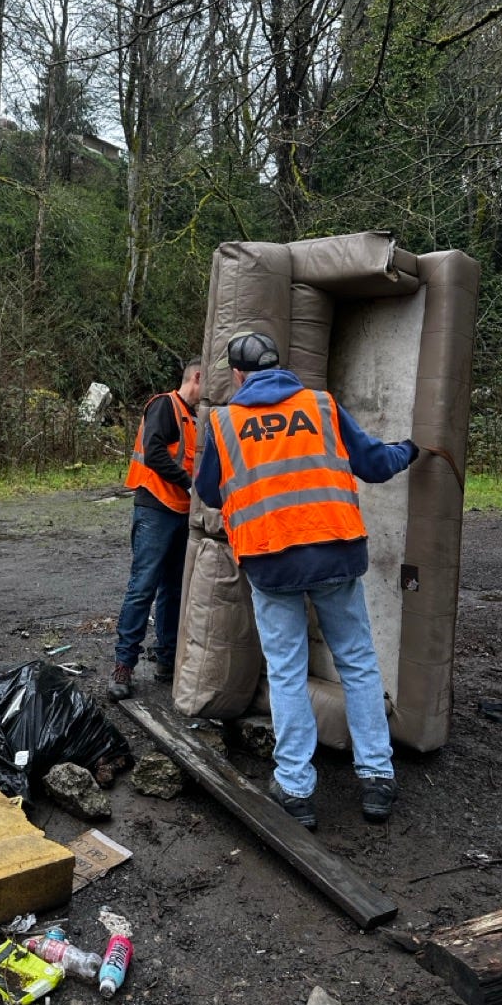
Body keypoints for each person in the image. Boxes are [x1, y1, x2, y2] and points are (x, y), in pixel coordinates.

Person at [195, 331, 418, 829]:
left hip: (272, 560)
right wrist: (410, 451)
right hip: (335, 550)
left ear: (237, 375)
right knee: (357, 663)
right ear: (280, 367)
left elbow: (209, 491)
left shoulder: (225, 421)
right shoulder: (320, 404)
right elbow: (376, 465)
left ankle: (296, 788)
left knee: (287, 671)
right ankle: (377, 779)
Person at [108, 357, 203, 701]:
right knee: (143, 586)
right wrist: (190, 484)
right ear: (197, 376)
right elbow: (156, 455)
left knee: (174, 588)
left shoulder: (194, 417)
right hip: (156, 509)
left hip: (180, 512)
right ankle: (123, 666)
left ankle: (166, 659)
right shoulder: (165, 406)